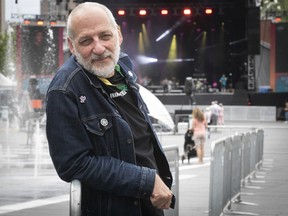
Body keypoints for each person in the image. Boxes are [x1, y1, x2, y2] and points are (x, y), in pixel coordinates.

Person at [45, 2, 174, 216]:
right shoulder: (64, 90)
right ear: (72, 45)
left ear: (119, 35)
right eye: (86, 40)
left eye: (105, 36)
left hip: (149, 205)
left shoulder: (123, 64)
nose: (98, 48)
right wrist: (145, 180)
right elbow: (72, 163)